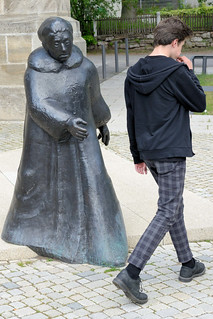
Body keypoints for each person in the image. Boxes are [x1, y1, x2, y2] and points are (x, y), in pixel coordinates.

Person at [2, 17, 128, 267]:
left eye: (66, 42)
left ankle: (99, 242)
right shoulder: (35, 72)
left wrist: (101, 121)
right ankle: (41, 232)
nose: (62, 47)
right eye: (56, 43)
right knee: (44, 186)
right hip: (46, 142)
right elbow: (38, 105)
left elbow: (94, 98)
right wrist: (66, 121)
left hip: (83, 139)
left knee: (93, 181)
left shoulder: (86, 67)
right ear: (46, 44)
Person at [113, 17, 206, 304]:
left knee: (173, 203)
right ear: (175, 42)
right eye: (183, 45)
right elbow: (200, 103)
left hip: (150, 153)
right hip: (171, 152)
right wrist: (190, 72)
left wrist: (137, 155)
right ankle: (132, 271)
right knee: (167, 209)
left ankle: (188, 263)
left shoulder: (133, 72)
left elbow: (131, 115)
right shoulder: (177, 72)